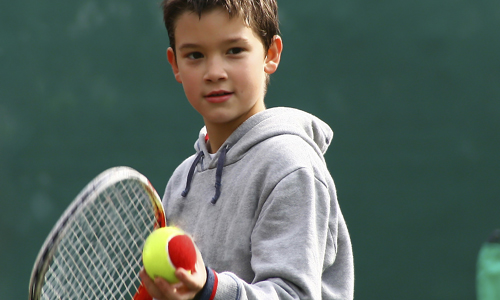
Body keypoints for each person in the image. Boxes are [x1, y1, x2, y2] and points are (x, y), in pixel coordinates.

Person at [139, 0, 354, 299]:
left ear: (271, 54)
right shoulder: (182, 181)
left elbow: (293, 295)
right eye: (195, 55)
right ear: (175, 64)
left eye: (234, 51)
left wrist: (210, 290)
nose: (214, 72)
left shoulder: (290, 167)